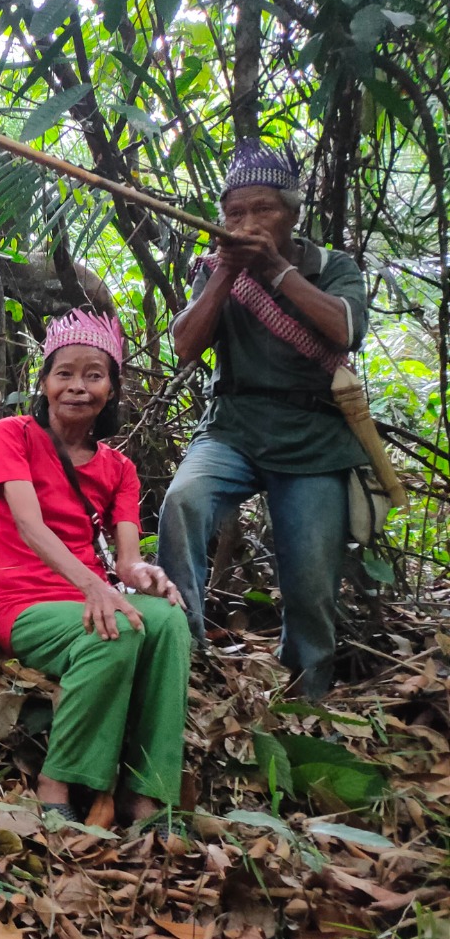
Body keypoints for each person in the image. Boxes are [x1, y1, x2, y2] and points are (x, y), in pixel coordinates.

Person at [157, 142, 368, 699]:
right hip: (233, 428)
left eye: (263, 210)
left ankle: (308, 694)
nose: (247, 223)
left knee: (311, 583)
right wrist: (226, 272)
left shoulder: (332, 267)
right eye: (235, 214)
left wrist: (276, 272)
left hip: (315, 438)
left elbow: (344, 329)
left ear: (293, 214)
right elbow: (184, 344)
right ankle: (180, 651)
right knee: (184, 502)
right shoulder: (219, 270)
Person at [0, 311, 188, 827]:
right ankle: (59, 780)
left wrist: (147, 578)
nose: (77, 386)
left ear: (111, 388)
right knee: (114, 630)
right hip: (22, 600)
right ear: (44, 382)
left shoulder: (120, 469)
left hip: (89, 595)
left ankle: (149, 792)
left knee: (167, 620)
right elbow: (29, 525)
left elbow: (128, 559)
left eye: (94, 374)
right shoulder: (14, 435)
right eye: (64, 373)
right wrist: (95, 586)